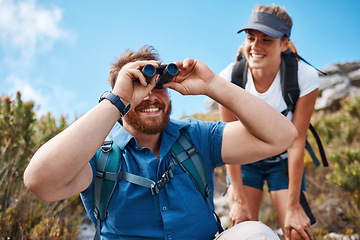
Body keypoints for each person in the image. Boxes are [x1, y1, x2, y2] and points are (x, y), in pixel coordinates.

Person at [24, 45, 297, 239]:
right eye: (138, 87)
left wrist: (213, 84)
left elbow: (282, 136)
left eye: (159, 86)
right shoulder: (100, 155)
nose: (151, 96)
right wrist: (117, 100)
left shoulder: (194, 136)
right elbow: (40, 182)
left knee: (255, 234)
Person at [219, 5, 319, 240]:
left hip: (282, 161)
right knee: (243, 226)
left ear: (284, 44)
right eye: (251, 38)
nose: (255, 46)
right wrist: (238, 199)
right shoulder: (230, 78)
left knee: (298, 232)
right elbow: (227, 144)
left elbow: (297, 142)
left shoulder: (304, 77)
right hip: (244, 161)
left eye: (267, 40)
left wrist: (294, 207)